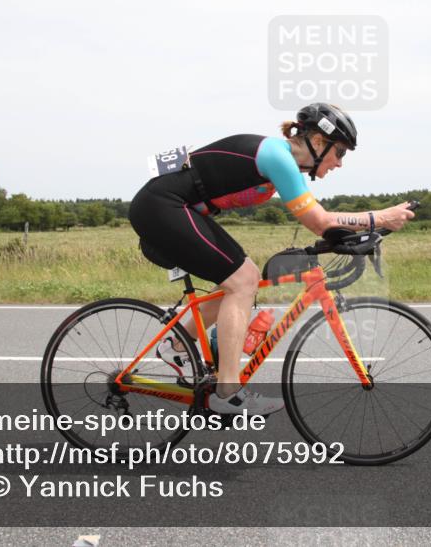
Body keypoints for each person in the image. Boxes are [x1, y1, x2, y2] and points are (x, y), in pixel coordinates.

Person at [128, 103, 415, 414]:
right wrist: (380, 218)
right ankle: (227, 393)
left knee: (242, 279)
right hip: (162, 206)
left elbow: (319, 219)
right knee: (243, 281)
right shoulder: (277, 156)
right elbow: (320, 221)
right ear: (318, 142)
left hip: (173, 207)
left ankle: (178, 344)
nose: (340, 163)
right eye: (340, 152)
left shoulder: (283, 161)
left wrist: (358, 233)